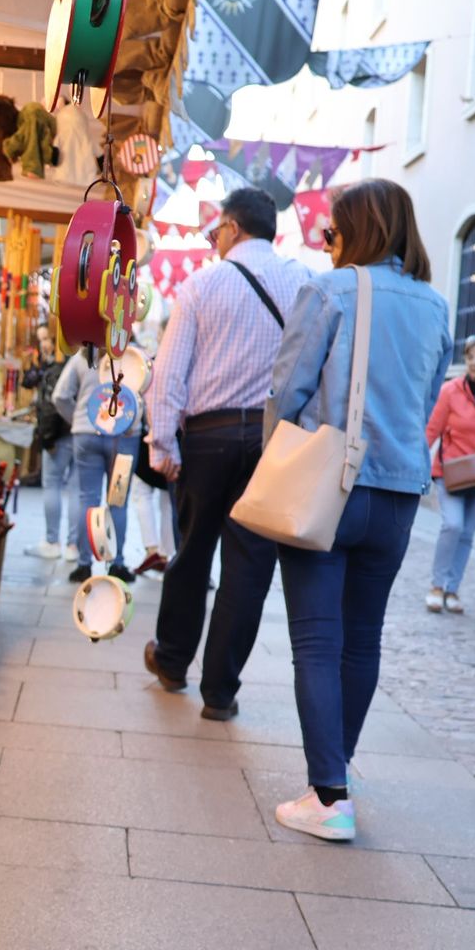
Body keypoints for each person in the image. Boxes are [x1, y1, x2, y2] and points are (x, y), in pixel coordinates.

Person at [264, 179, 453, 842]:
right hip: (399, 493)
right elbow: (431, 393)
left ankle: (330, 796)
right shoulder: (436, 306)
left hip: (328, 484)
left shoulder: (332, 290)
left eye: (332, 232)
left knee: (316, 639)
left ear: (356, 230)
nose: (327, 243)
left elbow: (287, 387)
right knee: (362, 637)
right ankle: (333, 773)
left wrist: (274, 458)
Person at [144, 187, 312, 718]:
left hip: (207, 437)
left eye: (216, 230)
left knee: (192, 552)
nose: (213, 240)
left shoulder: (201, 284)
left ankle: (172, 662)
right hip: (271, 442)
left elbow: (171, 372)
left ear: (234, 229)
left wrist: (162, 441)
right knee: (249, 568)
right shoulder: (304, 283)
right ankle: (219, 692)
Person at [424, 335, 475, 613]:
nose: (474, 363)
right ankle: (436, 586)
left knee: (467, 533)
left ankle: (452, 589)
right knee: (452, 525)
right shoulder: (451, 391)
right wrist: (419, 464)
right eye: (469, 357)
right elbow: (432, 430)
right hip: (450, 473)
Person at [52, 347, 137, 582]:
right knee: (118, 502)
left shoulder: (84, 356)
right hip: (124, 434)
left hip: (86, 434)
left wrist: (80, 417)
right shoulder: (134, 357)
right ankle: (116, 564)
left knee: (86, 499)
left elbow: (60, 395)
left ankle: (84, 564)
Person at [26, 352, 76, 558]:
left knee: (53, 484)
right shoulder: (91, 361)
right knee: (78, 490)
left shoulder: (61, 368)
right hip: (80, 435)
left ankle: (52, 541)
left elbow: (54, 402)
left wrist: (47, 437)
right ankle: (73, 546)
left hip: (60, 436)